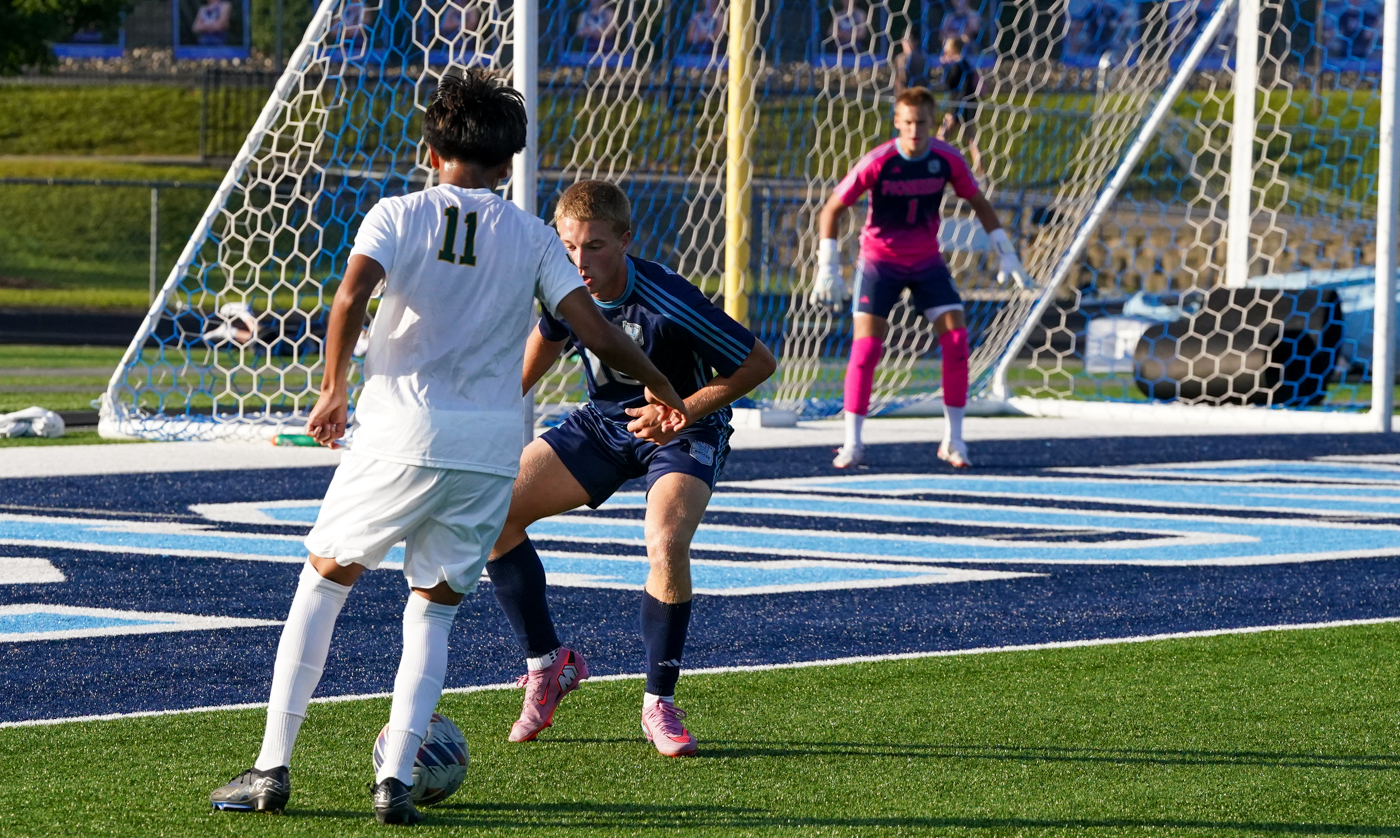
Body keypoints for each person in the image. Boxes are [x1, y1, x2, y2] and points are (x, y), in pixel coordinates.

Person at [208, 72, 687, 825]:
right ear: (509, 164)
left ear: (431, 153)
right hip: (487, 452)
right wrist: (662, 387)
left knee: (324, 585)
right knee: (431, 612)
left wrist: (332, 389)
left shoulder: (398, 213)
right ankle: (395, 780)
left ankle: (271, 767)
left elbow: (350, 295)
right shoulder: (533, 236)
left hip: (398, 434)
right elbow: (596, 330)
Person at [484, 180, 776, 757]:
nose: (579, 261)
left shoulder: (669, 298)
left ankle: (659, 703)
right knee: (492, 512)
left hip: (685, 429)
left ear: (625, 240)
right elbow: (548, 337)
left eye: (594, 246)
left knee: (666, 543)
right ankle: (549, 665)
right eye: (569, 246)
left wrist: (681, 411)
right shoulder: (566, 287)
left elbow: (758, 363)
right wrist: (493, 407)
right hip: (605, 424)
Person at [809, 86, 1031, 471]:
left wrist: (1005, 251)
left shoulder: (947, 159)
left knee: (957, 341)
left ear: (933, 123)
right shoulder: (878, 161)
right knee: (866, 349)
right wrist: (827, 266)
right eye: (908, 122)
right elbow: (831, 209)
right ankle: (852, 443)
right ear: (897, 122)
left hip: (927, 261)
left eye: (922, 123)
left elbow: (978, 202)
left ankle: (954, 440)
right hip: (879, 262)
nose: (915, 130)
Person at [937, 36, 982, 176]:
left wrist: (945, 66)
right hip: (969, 105)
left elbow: (948, 84)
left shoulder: (956, 65)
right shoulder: (967, 63)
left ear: (952, 48)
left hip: (958, 105)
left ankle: (934, 167)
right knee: (972, 140)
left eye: (946, 47)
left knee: (941, 137)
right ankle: (982, 173)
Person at [893, 28, 933, 96]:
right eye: (906, 41)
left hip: (916, 95)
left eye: (910, 41)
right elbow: (900, 79)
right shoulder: (900, 58)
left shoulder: (922, 58)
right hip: (905, 95)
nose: (908, 44)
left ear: (916, 42)